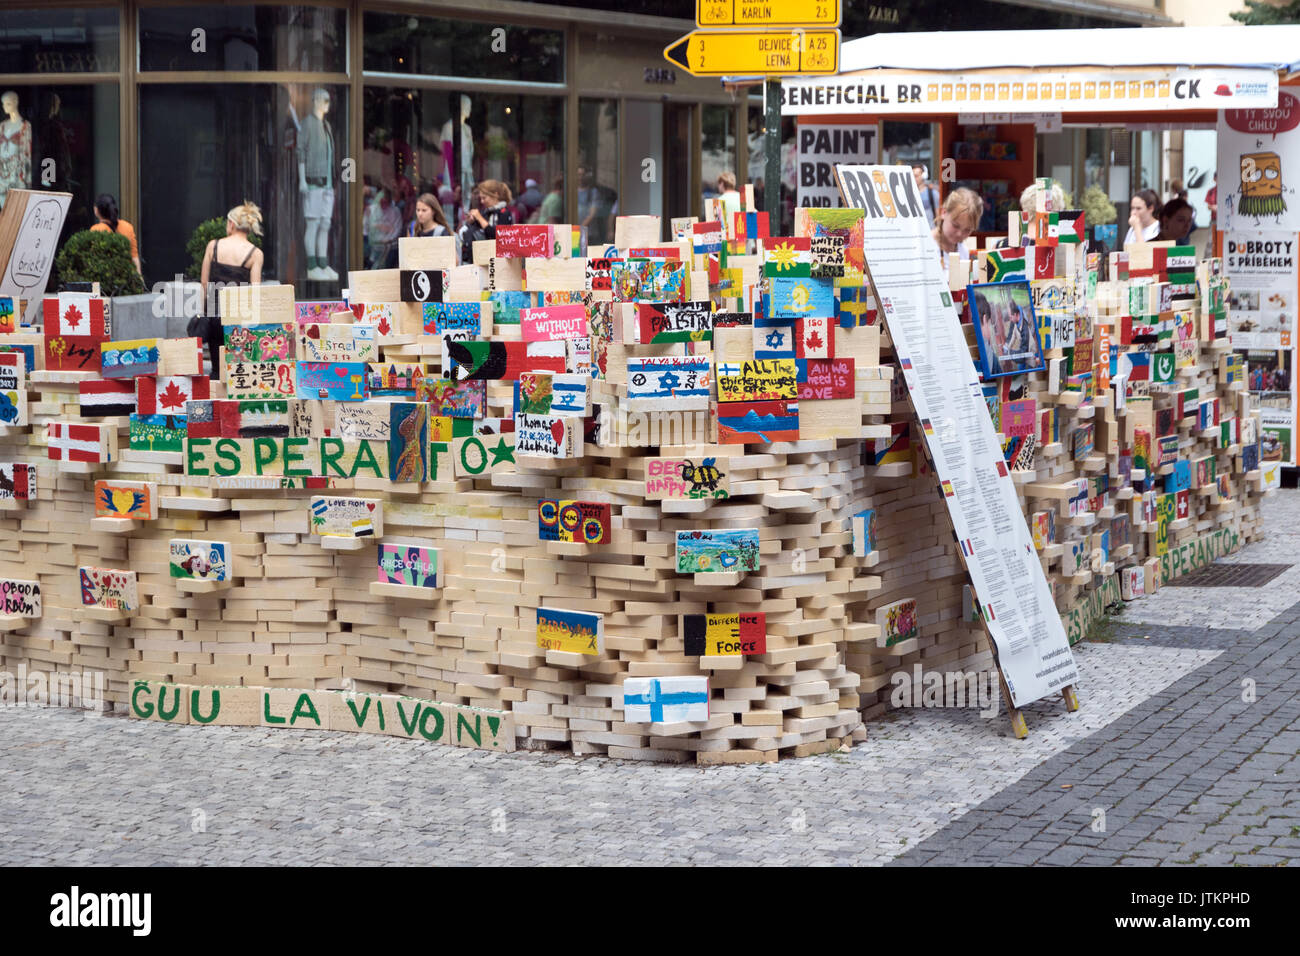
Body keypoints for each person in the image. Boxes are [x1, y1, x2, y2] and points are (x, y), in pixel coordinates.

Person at [197, 201, 264, 378]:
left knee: (217, 371)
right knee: (238, 371)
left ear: (232, 224)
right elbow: (254, 292)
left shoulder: (213, 246)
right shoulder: (255, 253)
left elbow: (204, 284)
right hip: (239, 318)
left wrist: (203, 313)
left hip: (214, 315)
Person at [458, 179, 515, 264]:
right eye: (481, 198)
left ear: (495, 195)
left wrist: (480, 218)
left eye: (484, 198)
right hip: (483, 257)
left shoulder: (504, 213)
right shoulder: (486, 212)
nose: (482, 201)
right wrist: (472, 221)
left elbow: (498, 236)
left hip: (499, 261)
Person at [89, 194, 142, 278]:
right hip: (127, 278)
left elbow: (93, 259)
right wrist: (139, 277)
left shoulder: (96, 230)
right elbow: (134, 256)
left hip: (106, 279)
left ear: (96, 210)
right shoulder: (128, 227)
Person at [932, 187, 982, 264]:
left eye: (967, 230)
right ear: (944, 212)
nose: (959, 234)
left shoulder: (964, 252)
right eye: (955, 225)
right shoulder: (926, 246)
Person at [366, 188, 402, 268]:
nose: (383, 203)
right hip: (374, 246)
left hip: (390, 247)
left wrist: (389, 239)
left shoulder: (395, 211)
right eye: (382, 200)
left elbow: (397, 229)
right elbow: (366, 227)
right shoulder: (371, 210)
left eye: (386, 200)